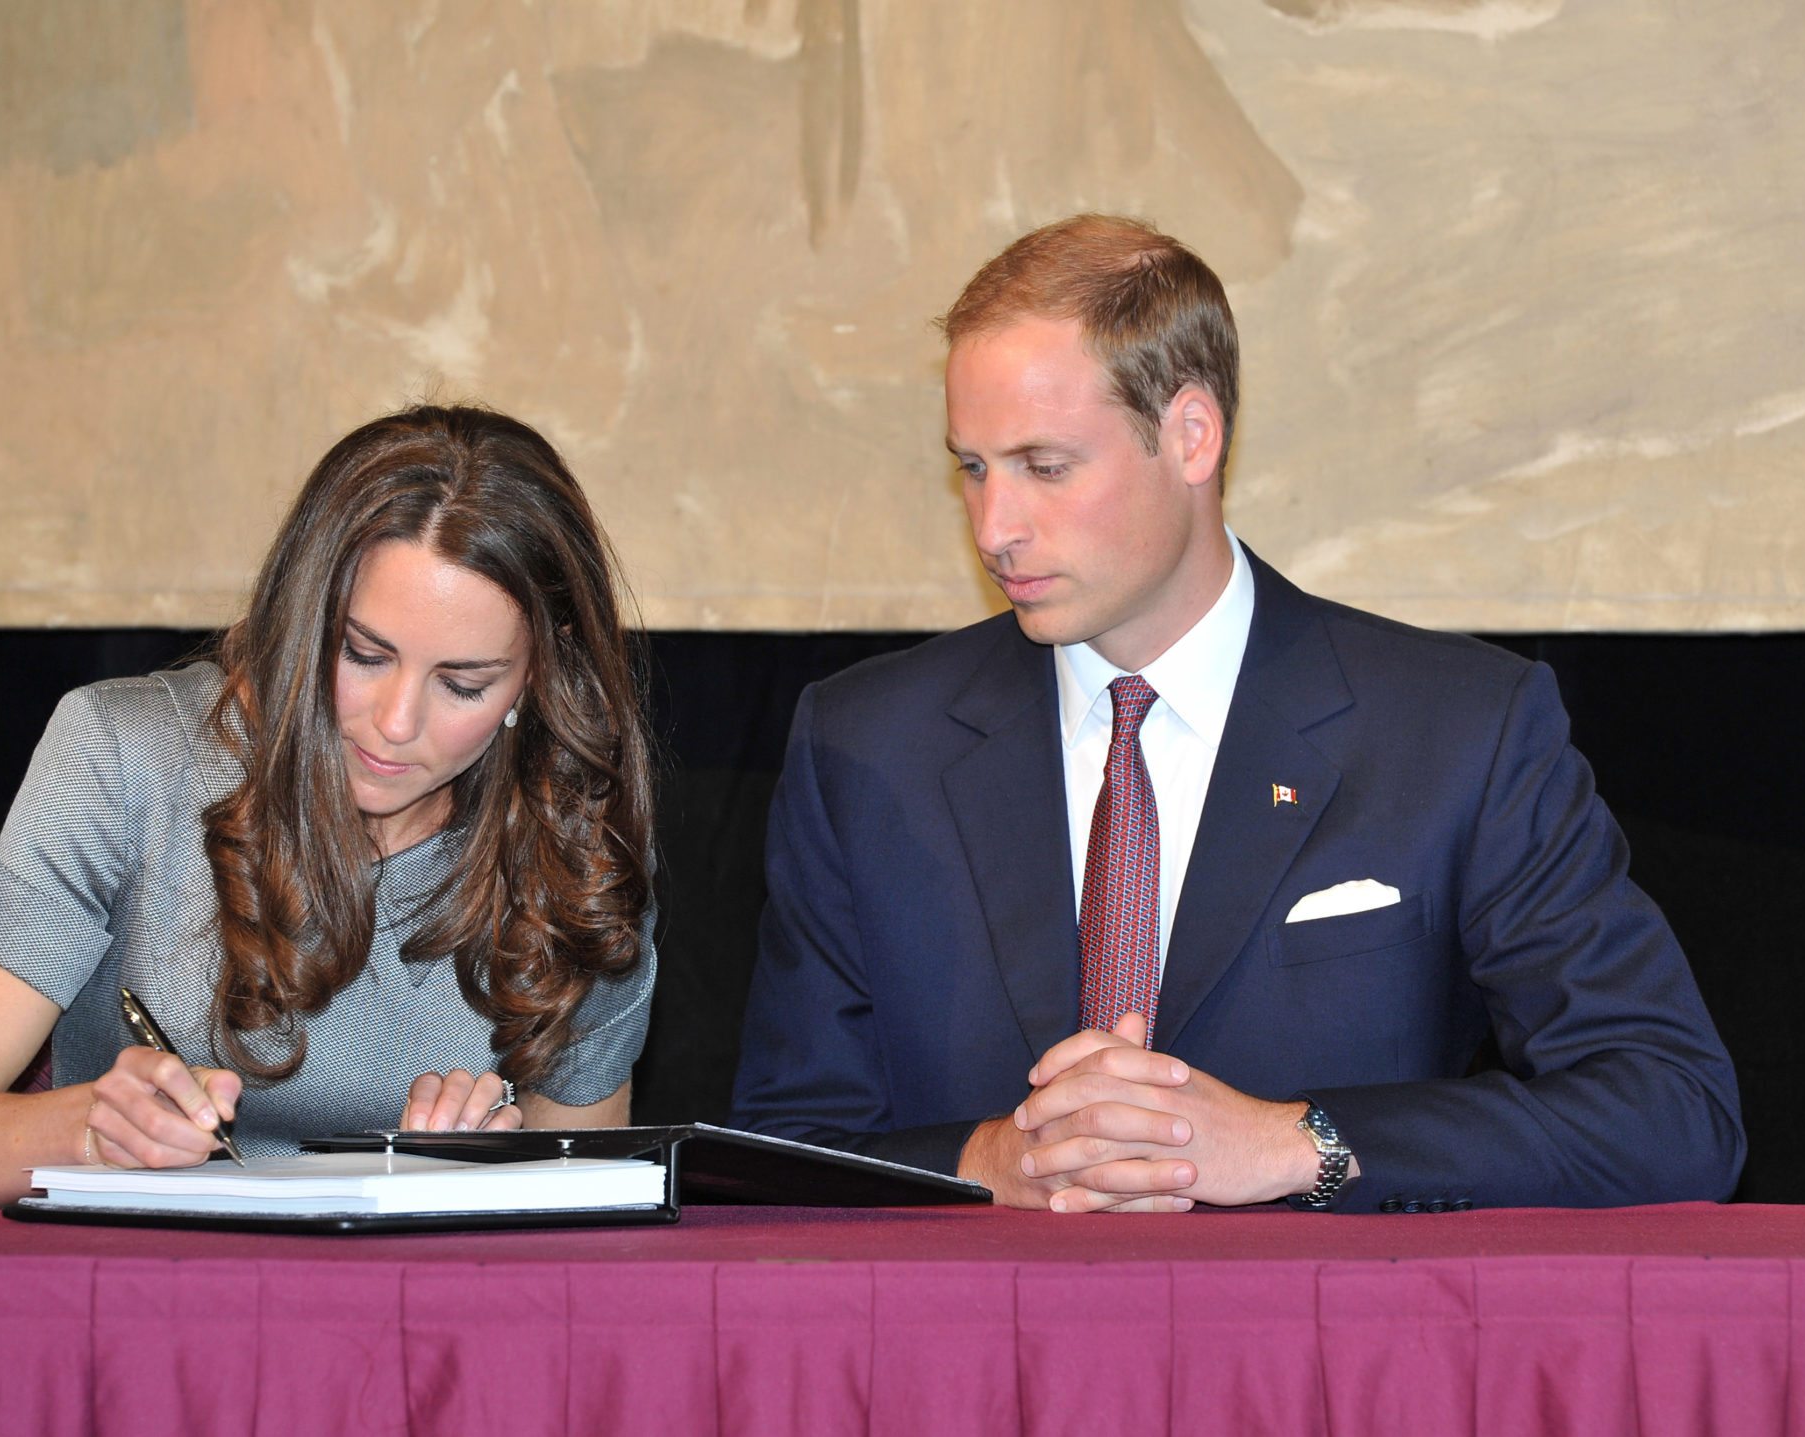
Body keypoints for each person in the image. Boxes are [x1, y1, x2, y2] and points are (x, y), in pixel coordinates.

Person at [731, 216, 1744, 1213]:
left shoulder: (1455, 731)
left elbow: (1669, 1112)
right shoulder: (866, 746)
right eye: (972, 467)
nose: (995, 527)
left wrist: (1294, 1143)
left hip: (1320, 1326)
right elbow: (778, 1155)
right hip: (980, 1327)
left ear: (1191, 436)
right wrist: (987, 1164)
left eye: (1044, 466)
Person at [0, 405, 657, 1207]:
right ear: (303, 614)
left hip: (409, 1290)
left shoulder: (577, 841)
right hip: (138, 1282)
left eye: (462, 684)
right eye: (362, 653)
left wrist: (498, 1175)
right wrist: (89, 1131)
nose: (395, 721)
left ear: (538, 672)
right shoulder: (127, 755)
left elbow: (592, 1206)